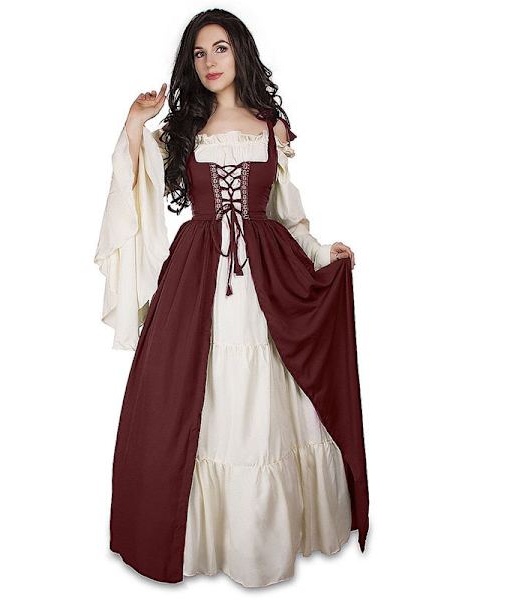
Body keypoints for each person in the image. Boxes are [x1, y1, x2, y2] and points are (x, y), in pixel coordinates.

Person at [94, 8, 369, 588]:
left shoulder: (271, 127)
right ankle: (201, 535)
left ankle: (261, 536)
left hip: (266, 278)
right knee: (190, 391)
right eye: (199, 53)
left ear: (240, 51)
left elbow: (286, 214)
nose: (209, 62)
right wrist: (136, 122)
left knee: (264, 398)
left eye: (219, 48)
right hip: (196, 279)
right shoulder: (183, 130)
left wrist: (322, 253)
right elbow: (134, 190)